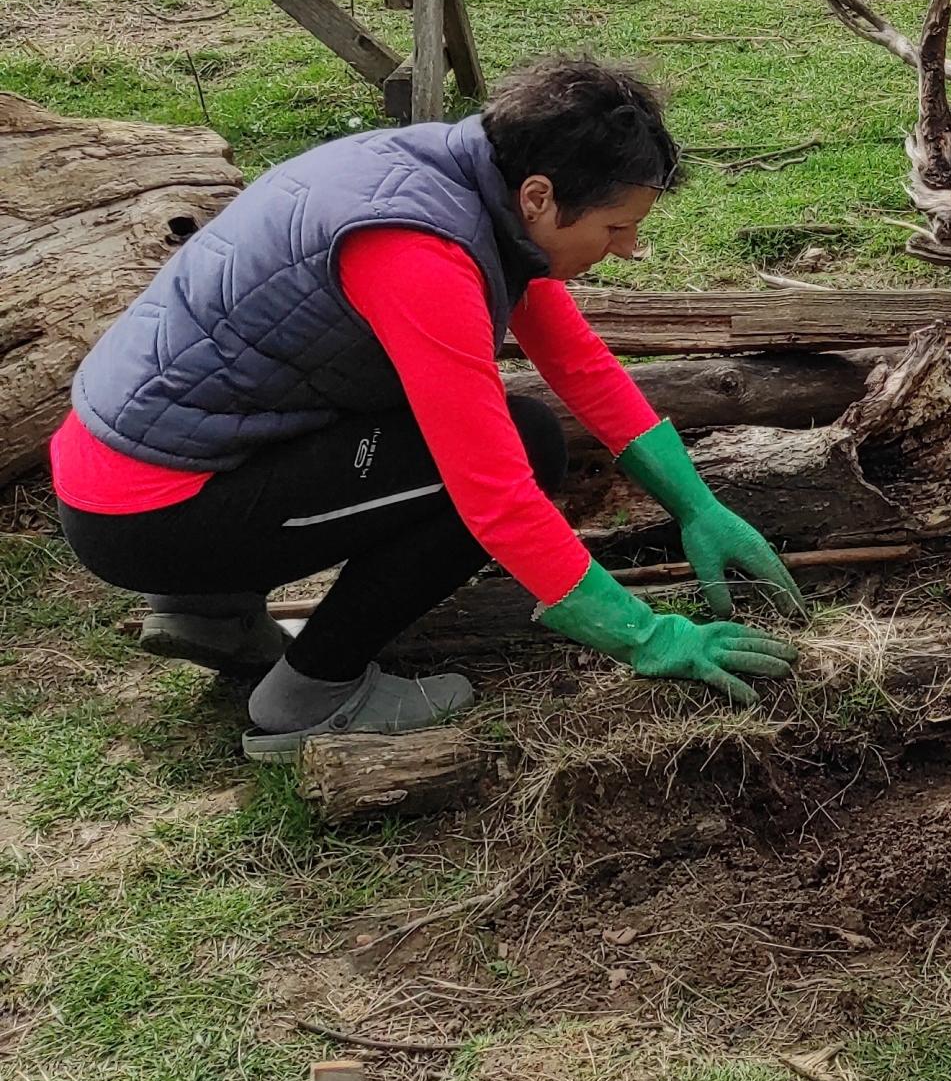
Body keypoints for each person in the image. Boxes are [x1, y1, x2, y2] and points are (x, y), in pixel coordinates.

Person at [52, 55, 802, 759]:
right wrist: (647, 636)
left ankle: (209, 614)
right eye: (616, 227)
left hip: (159, 458)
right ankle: (312, 694)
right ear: (541, 196)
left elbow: (576, 359)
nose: (630, 248)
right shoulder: (417, 248)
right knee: (525, 446)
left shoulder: (463, 176)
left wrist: (696, 505)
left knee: (481, 430)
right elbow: (496, 497)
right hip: (149, 515)